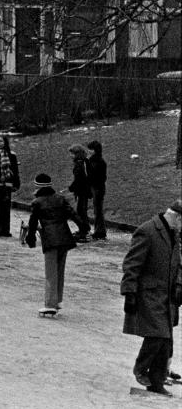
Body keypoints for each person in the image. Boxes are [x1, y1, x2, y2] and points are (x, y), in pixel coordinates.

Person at [120, 200, 182, 395]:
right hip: (149, 294)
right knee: (158, 335)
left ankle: (156, 382)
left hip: (167, 296)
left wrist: (179, 286)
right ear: (177, 217)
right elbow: (132, 264)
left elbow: (177, 265)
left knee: (165, 341)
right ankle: (141, 368)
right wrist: (129, 292)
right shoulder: (147, 231)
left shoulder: (174, 234)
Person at [24, 171, 78, 317]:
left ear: (37, 187)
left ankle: (50, 304)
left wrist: (31, 238)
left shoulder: (37, 202)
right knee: (60, 270)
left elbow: (33, 222)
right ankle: (57, 300)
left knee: (51, 272)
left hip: (50, 239)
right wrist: (83, 226)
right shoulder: (60, 199)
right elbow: (72, 214)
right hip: (65, 237)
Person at [0, 132, 21, 238]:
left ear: (5, 142)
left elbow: (15, 170)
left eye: (1, 141)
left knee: (6, 207)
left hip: (8, 183)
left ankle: (6, 230)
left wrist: (16, 183)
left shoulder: (12, 155)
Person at [67, 143, 92, 241]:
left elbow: (79, 179)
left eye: (72, 153)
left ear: (77, 154)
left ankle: (84, 231)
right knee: (82, 210)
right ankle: (84, 230)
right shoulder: (84, 161)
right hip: (85, 190)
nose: (70, 156)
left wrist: (71, 187)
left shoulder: (79, 164)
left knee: (81, 211)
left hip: (82, 191)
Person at [86, 139, 108, 239]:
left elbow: (96, 176)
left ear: (94, 150)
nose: (88, 151)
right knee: (97, 209)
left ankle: (100, 231)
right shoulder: (98, 161)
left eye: (90, 150)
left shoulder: (96, 161)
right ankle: (99, 230)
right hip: (98, 187)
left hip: (97, 188)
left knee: (98, 210)